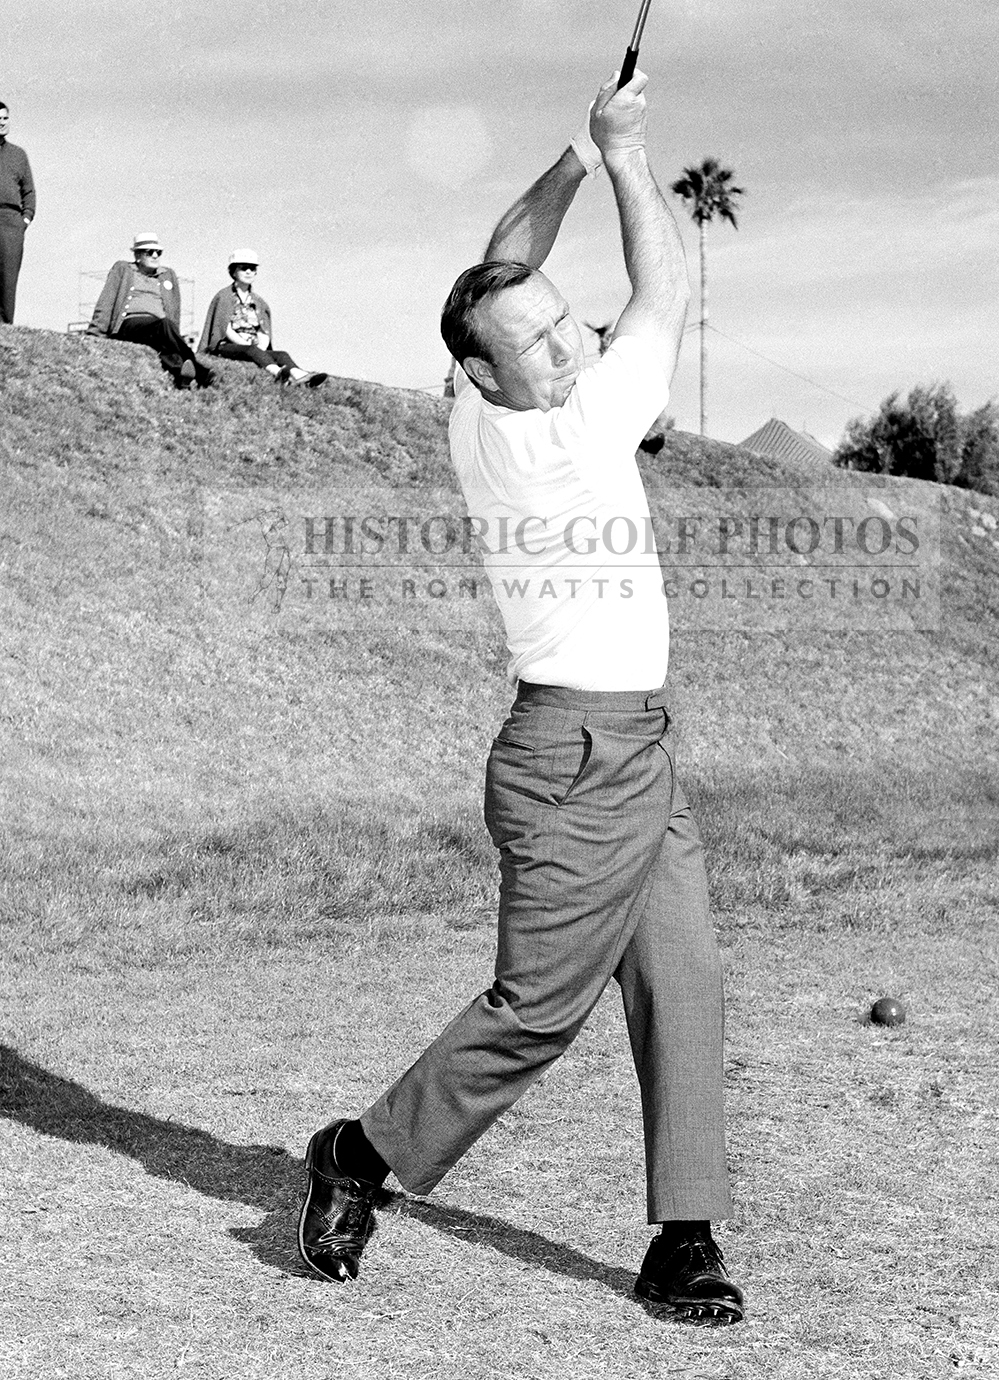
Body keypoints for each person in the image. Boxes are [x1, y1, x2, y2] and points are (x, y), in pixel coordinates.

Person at [297, 70, 745, 1326]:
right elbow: (663, 293)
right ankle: (360, 1157)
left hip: (633, 747)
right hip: (573, 757)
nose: (572, 341)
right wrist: (626, 155)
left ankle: (684, 1238)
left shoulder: (474, 414)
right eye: (541, 343)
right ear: (495, 381)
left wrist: (560, 164)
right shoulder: (574, 429)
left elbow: (496, 271)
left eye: (569, 321)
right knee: (536, 1013)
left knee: (685, 981)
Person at [87, 232, 214, 389]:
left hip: (158, 329)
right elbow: (107, 300)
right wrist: (95, 333)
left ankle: (181, 373)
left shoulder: (168, 275)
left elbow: (174, 310)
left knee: (164, 343)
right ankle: (200, 371)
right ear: (138, 255)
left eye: (158, 252)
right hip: (130, 324)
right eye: (150, 252)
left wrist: (173, 336)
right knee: (164, 325)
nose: (155, 255)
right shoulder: (124, 269)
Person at [198, 249, 327, 387]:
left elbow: (263, 330)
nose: (248, 272)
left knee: (282, 354)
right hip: (227, 345)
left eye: (252, 268)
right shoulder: (224, 297)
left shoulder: (259, 302)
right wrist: (247, 345)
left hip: (253, 347)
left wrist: (261, 347)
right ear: (234, 271)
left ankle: (302, 377)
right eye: (243, 268)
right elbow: (224, 328)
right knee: (251, 350)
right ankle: (278, 373)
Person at [0, 99, 35, 325]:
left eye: (5, 118)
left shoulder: (18, 154)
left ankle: (4, 329)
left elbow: (29, 191)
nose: (2, 123)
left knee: (7, 278)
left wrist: (25, 219)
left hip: (11, 222)